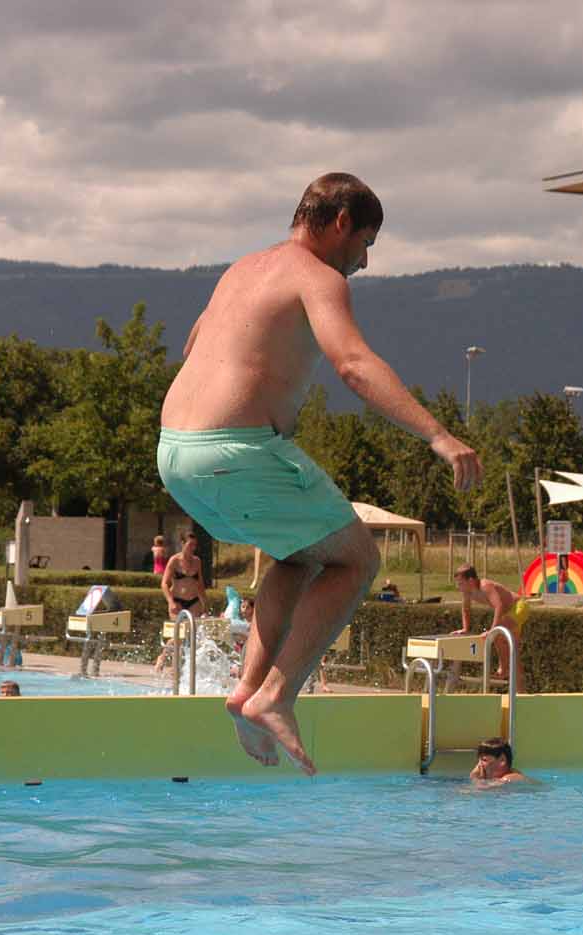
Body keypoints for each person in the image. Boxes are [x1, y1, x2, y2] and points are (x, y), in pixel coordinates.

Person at [158, 172, 481, 774]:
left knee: (299, 556)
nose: (364, 261)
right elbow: (353, 365)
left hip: (175, 453)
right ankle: (278, 696)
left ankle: (247, 692)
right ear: (340, 223)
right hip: (237, 452)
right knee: (357, 560)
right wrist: (439, 436)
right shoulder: (318, 276)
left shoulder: (241, 270)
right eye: (366, 243)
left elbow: (193, 346)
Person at [451, 566, 526, 688]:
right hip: (508, 613)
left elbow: (499, 606)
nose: (458, 587)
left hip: (519, 607)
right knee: (513, 652)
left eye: (460, 583)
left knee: (496, 635)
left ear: (470, 581)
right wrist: (465, 628)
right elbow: (466, 610)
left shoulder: (485, 586)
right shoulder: (467, 592)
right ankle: (520, 692)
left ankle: (503, 669)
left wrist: (492, 630)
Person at [154, 529, 208, 672]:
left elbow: (200, 584)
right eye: (190, 545)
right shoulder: (174, 561)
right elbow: (164, 584)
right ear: (182, 543)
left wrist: (205, 604)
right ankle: (163, 657)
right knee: (179, 635)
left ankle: (180, 668)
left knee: (193, 635)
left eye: (195, 545)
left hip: (193, 602)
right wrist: (170, 601)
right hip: (177, 602)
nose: (193, 548)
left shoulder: (197, 562)